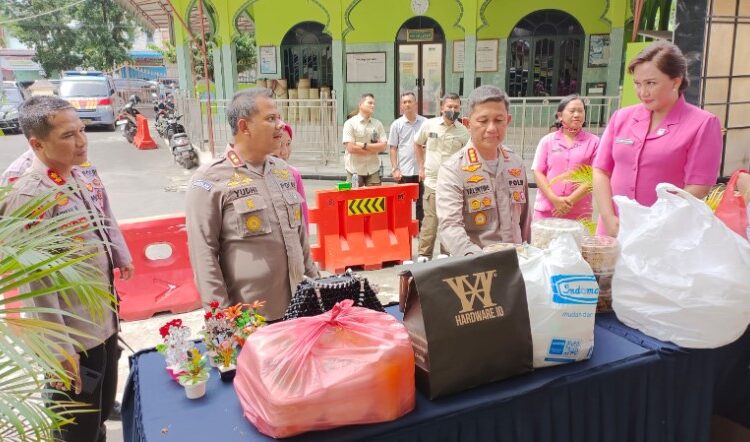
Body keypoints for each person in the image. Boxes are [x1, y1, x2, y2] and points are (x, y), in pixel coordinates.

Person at [0, 95, 134, 441]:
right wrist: (60, 351)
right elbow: (35, 286)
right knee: (75, 428)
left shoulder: (76, 175)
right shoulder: (30, 197)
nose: (82, 141)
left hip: (101, 319)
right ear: (37, 144)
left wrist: (120, 257)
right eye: (68, 135)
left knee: (99, 413)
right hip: (72, 335)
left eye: (82, 130)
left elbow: (103, 220)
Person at [185, 88, 319, 321]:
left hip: (300, 310)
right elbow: (203, 254)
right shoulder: (210, 179)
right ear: (244, 126)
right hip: (251, 321)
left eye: (279, 117)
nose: (280, 124)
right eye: (270, 119)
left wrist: (317, 289)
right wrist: (223, 322)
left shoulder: (283, 171)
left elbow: (301, 239)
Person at [593, 40, 723, 237]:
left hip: (664, 235)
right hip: (614, 230)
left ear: (676, 81)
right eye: (638, 84)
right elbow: (601, 170)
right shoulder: (622, 118)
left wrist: (654, 224)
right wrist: (608, 218)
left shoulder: (702, 124)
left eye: (651, 83)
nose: (643, 92)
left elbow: (698, 186)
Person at [437, 85, 531, 256]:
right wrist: (473, 257)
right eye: (483, 121)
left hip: (519, 261)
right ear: (467, 123)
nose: (491, 128)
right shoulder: (453, 169)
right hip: (477, 269)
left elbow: (524, 220)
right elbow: (450, 226)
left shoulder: (516, 163)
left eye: (499, 120)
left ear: (508, 121)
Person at [413, 93, 469, 261]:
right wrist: (421, 167)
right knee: (430, 222)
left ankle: (446, 255)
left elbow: (467, 155)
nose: (452, 110)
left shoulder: (463, 132)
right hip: (432, 181)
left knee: (450, 221)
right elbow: (417, 143)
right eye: (449, 107)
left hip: (452, 184)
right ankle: (424, 256)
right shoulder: (429, 125)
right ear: (442, 108)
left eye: (456, 107)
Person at [532, 95, 600, 220]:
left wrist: (569, 201)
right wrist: (554, 199)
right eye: (572, 111)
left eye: (580, 111)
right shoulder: (547, 141)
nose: (577, 115)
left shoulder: (595, 142)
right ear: (560, 116)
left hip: (579, 212)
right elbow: (538, 172)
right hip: (547, 209)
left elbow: (593, 176)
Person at [388, 92, 426, 225]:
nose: (407, 104)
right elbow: (393, 148)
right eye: (404, 102)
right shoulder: (396, 125)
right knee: (403, 202)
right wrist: (395, 169)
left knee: (421, 202)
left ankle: (419, 229)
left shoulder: (425, 123)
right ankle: (403, 227)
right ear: (401, 106)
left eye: (410, 101)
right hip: (404, 171)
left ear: (416, 104)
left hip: (421, 170)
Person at [342, 93, 387, 186]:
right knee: (354, 199)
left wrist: (364, 145)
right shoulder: (350, 124)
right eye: (370, 103)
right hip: (354, 171)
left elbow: (383, 147)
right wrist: (374, 149)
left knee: (375, 199)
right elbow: (351, 148)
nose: (373, 106)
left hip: (373, 169)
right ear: (360, 105)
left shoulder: (377, 124)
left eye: (374, 104)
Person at [273, 121, 309, 233]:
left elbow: (303, 216)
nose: (284, 152)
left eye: (288, 144)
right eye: (279, 145)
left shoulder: (294, 174)